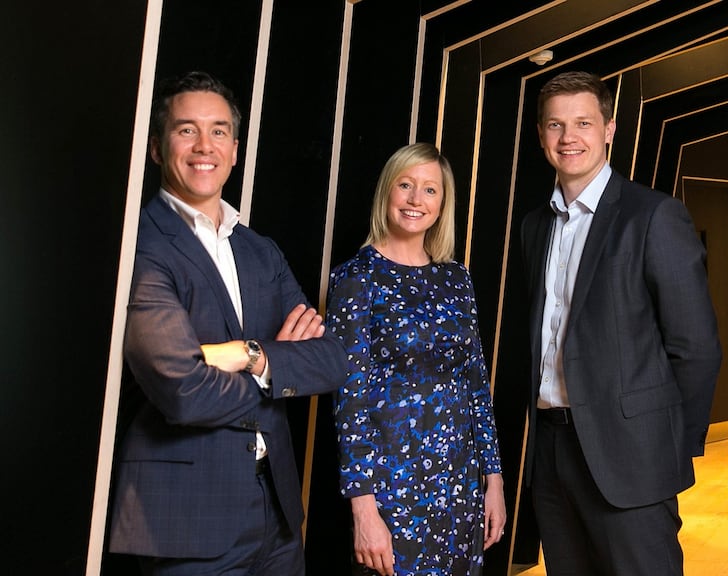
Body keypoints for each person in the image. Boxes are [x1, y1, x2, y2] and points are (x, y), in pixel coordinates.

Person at [108, 71, 350, 575]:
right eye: (186, 129)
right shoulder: (140, 247)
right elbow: (183, 390)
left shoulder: (260, 250)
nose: (204, 146)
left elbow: (330, 360)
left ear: (235, 150)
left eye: (218, 131)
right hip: (186, 522)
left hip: (276, 515)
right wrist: (275, 364)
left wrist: (245, 353)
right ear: (157, 147)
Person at [519, 71, 722, 575]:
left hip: (633, 457)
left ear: (609, 129)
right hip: (552, 448)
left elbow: (696, 347)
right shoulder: (534, 225)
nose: (569, 138)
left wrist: (668, 444)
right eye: (556, 125)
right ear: (541, 135)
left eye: (583, 123)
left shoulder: (652, 216)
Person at [325, 143, 506, 576]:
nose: (415, 200)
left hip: (459, 482)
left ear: (443, 204)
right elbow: (348, 402)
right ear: (387, 192)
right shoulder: (355, 279)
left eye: (430, 190)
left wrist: (494, 480)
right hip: (392, 485)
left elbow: (476, 383)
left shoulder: (456, 278)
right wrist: (363, 511)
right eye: (405, 186)